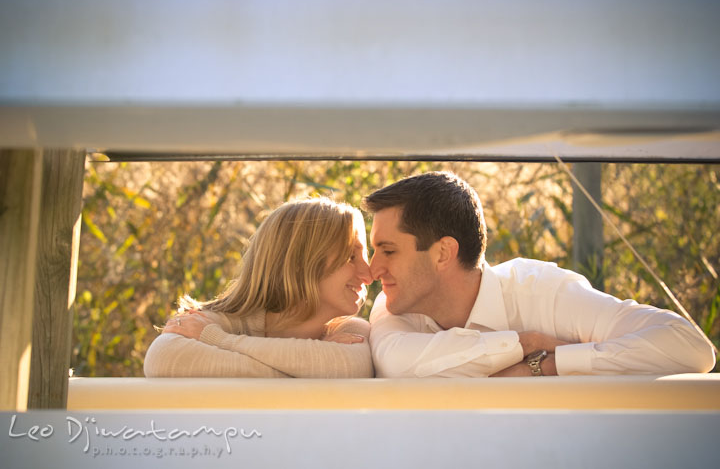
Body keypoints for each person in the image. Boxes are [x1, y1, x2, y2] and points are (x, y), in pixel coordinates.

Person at [365, 171, 716, 377]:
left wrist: (551, 365)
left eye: (389, 251)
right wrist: (527, 345)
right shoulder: (393, 304)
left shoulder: (543, 294)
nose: (373, 268)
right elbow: (399, 364)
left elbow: (690, 348)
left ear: (444, 253)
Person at [144, 198, 374, 378]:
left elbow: (350, 367)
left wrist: (221, 341)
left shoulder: (351, 330)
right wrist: (310, 367)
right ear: (298, 262)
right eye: (350, 257)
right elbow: (163, 358)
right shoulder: (210, 321)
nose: (368, 274)